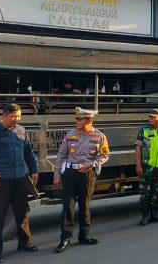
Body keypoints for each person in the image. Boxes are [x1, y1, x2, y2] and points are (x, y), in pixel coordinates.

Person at [0, 103, 39, 263]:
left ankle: (24, 243)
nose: (16, 119)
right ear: (4, 116)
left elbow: (28, 152)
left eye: (18, 116)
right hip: (0, 181)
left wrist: (34, 169)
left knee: (23, 212)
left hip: (19, 178)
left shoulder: (21, 130)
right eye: (13, 117)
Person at [54, 107, 110, 253]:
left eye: (79, 119)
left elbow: (105, 156)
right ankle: (65, 237)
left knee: (85, 205)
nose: (76, 121)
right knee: (68, 206)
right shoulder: (70, 135)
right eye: (76, 118)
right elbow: (61, 155)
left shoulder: (100, 136)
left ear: (89, 120)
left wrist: (91, 164)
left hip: (87, 174)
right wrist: (57, 174)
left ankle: (84, 235)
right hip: (70, 173)